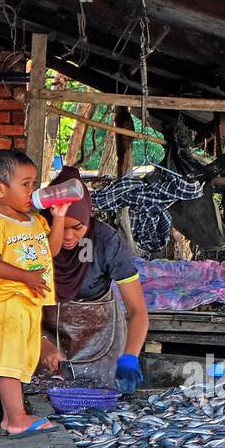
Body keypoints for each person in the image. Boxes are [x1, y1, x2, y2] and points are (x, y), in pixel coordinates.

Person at [0, 149, 70, 434]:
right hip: (10, 304)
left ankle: (12, 417)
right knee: (9, 364)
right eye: (26, 184)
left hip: (31, 305)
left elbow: (51, 250)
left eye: (34, 183)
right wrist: (26, 276)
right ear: (0, 189)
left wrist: (60, 217)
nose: (33, 190)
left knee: (22, 359)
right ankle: (16, 419)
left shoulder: (36, 221)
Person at [37, 166, 150, 394]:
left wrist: (129, 358)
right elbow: (14, 301)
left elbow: (137, 311)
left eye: (77, 227)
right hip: (41, 336)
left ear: (88, 216)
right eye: (59, 226)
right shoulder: (34, 243)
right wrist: (41, 344)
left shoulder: (107, 242)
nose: (69, 237)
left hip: (101, 343)